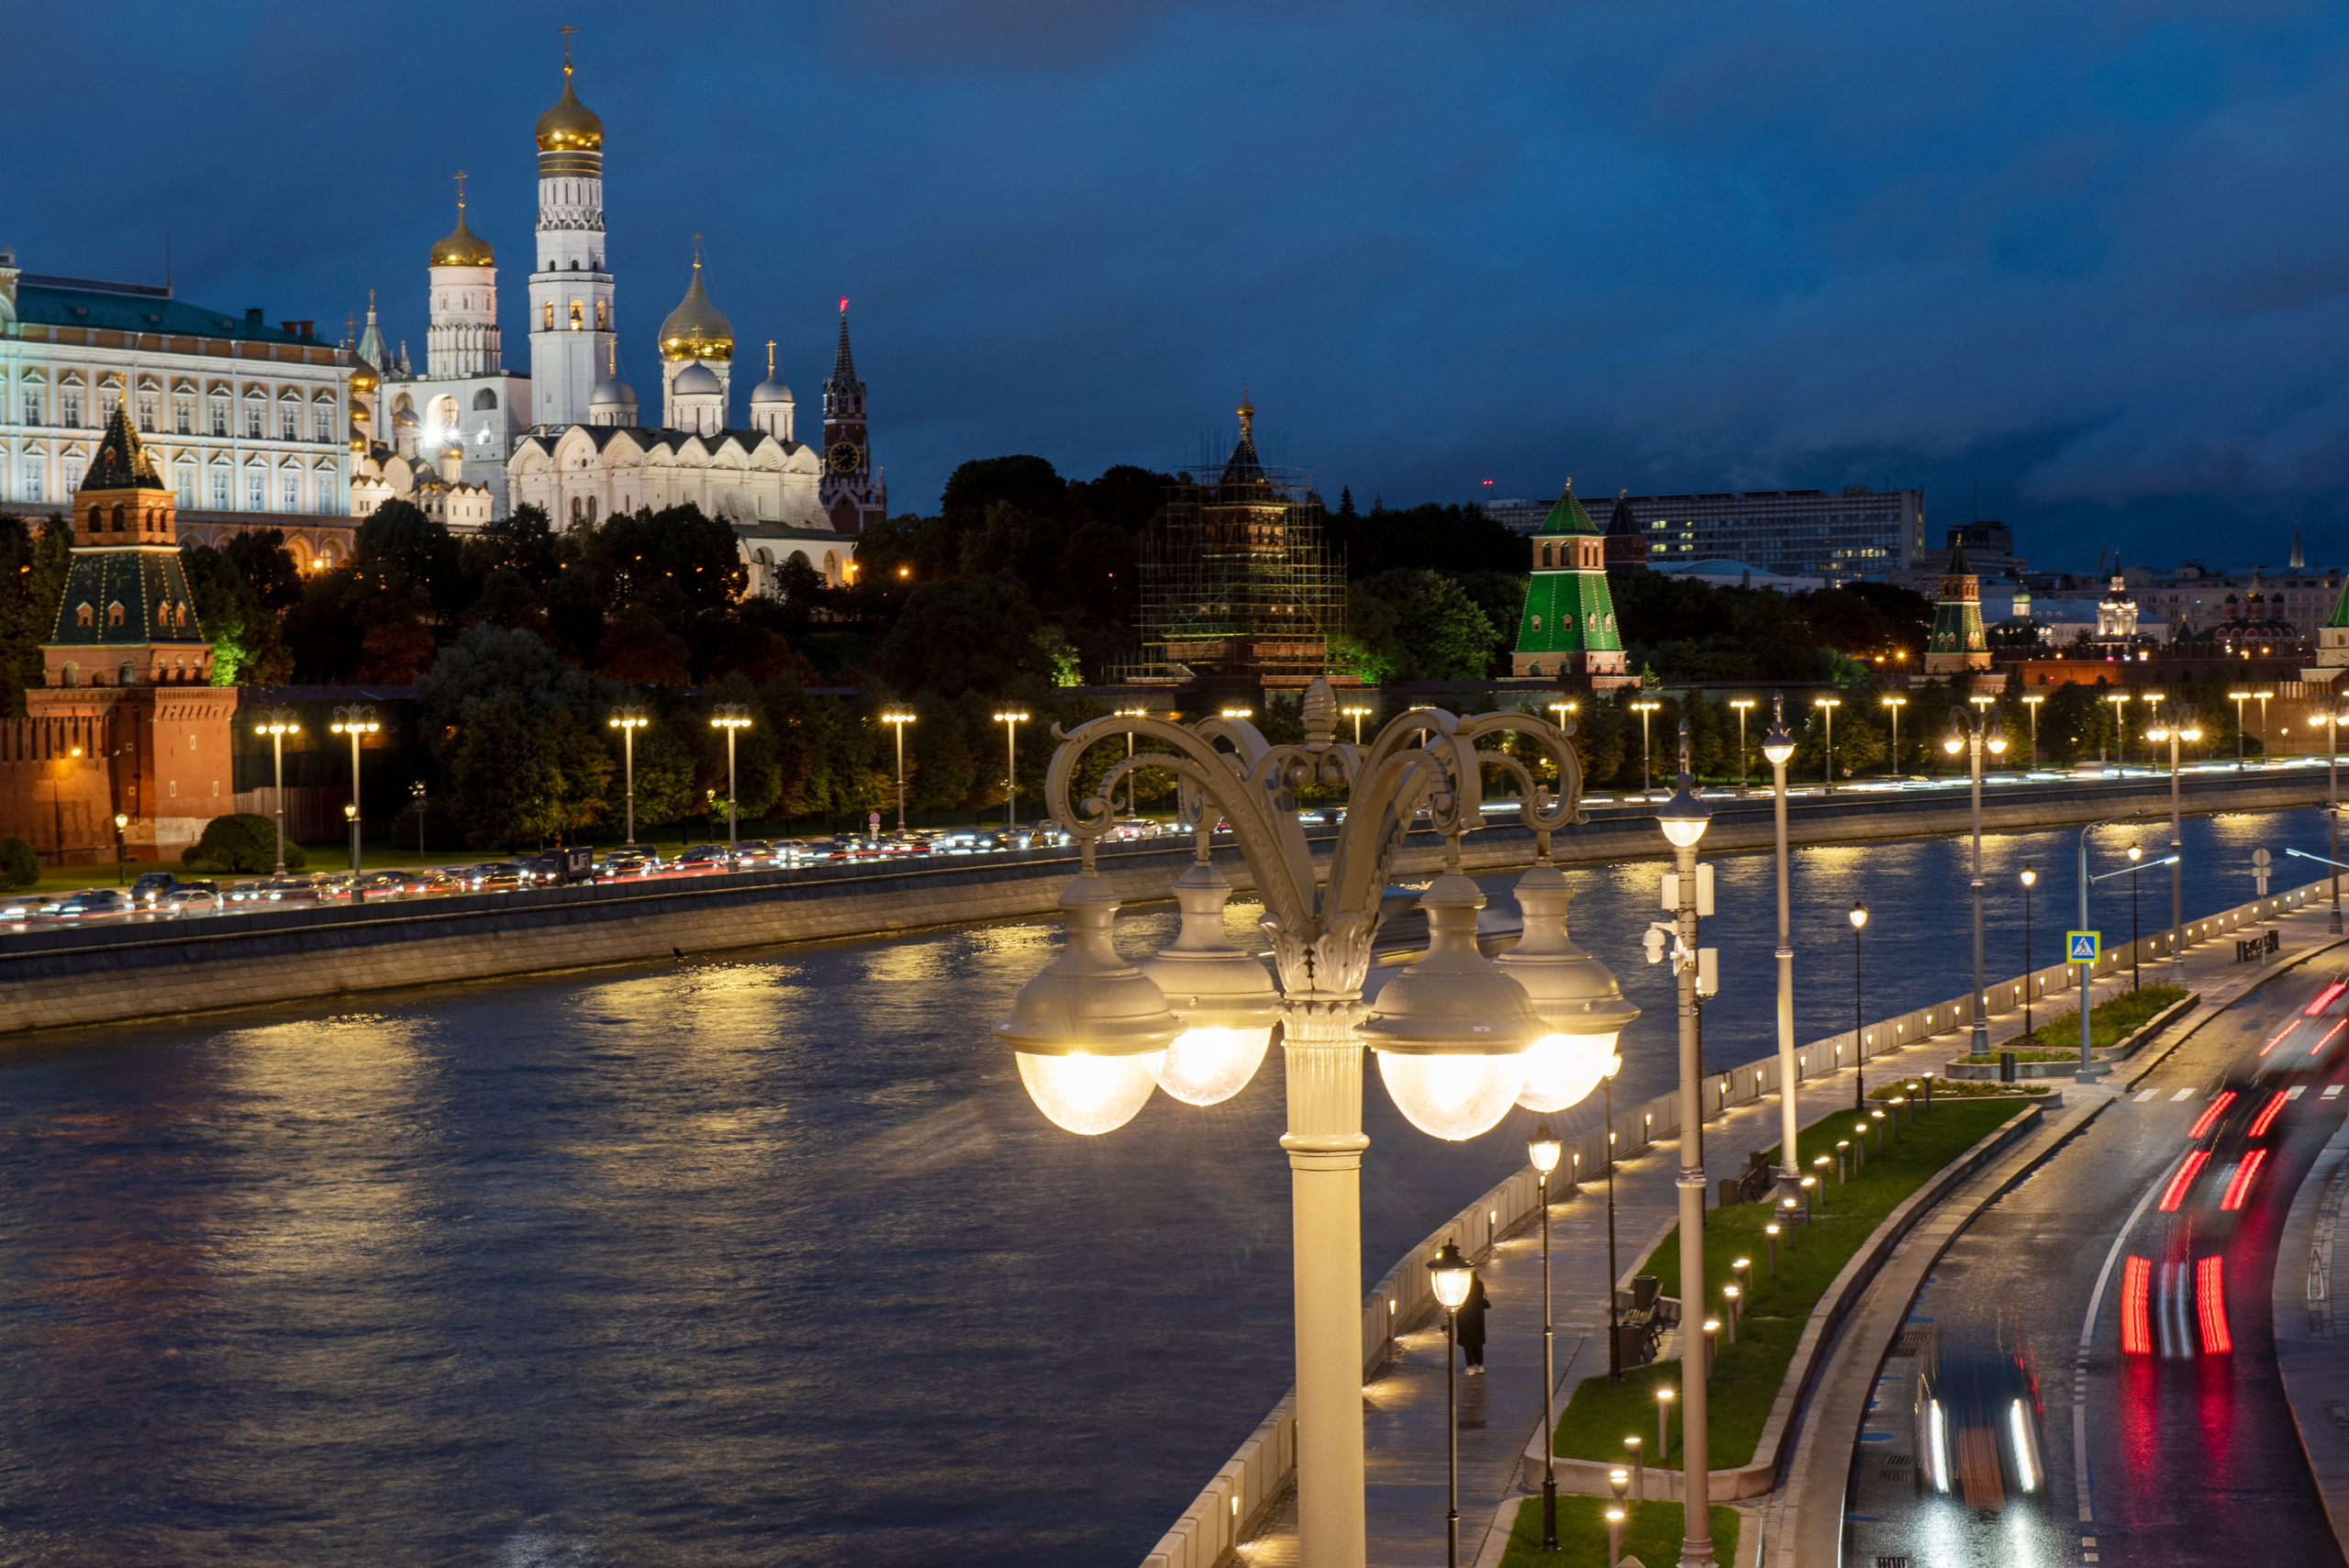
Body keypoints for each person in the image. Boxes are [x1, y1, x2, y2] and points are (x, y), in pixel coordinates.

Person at [1456, 1273, 1491, 1375]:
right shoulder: (1479, 1283)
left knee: (1467, 1341)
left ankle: (1470, 1367)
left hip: (1465, 1314)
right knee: (1478, 1341)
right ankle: (1480, 1366)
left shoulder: (1463, 1284)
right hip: (1478, 1315)